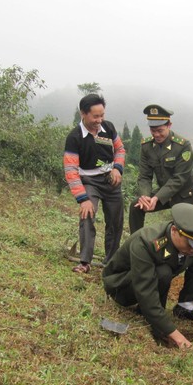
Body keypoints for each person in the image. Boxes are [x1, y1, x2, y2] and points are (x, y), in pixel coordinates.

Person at [103, 203, 193, 356]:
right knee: (163, 272)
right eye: (191, 245)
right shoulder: (146, 242)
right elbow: (146, 293)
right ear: (174, 230)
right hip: (121, 287)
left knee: (163, 272)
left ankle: (154, 318)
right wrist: (178, 338)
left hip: (147, 283)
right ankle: (156, 323)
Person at [64, 94, 125, 274]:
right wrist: (83, 198)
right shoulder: (75, 137)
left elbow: (120, 149)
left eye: (102, 115)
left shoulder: (108, 127)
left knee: (115, 220)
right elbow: (70, 170)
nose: (99, 120)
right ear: (83, 114)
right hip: (89, 181)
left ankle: (111, 260)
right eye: (95, 116)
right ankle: (85, 261)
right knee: (87, 214)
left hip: (110, 179)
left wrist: (117, 169)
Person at [129, 104, 193, 233]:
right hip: (164, 194)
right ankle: (135, 242)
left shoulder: (182, 145)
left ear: (169, 125)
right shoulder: (147, 146)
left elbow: (179, 178)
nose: (156, 134)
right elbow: (145, 176)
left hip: (185, 196)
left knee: (189, 231)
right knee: (136, 206)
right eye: (153, 130)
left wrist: (157, 197)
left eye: (160, 130)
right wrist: (145, 197)